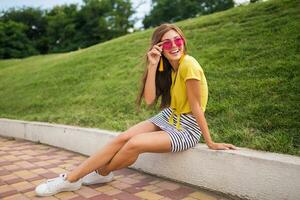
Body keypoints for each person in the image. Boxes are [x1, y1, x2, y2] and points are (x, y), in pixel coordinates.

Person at [35, 23, 237, 196]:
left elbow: (195, 106)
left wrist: (210, 142)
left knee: (134, 143)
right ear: (160, 47)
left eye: (178, 40)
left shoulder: (189, 64)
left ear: (183, 41)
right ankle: (72, 178)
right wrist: (152, 64)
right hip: (169, 116)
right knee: (122, 138)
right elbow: (149, 99)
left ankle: (99, 173)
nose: (174, 46)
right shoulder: (171, 68)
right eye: (167, 43)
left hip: (187, 128)